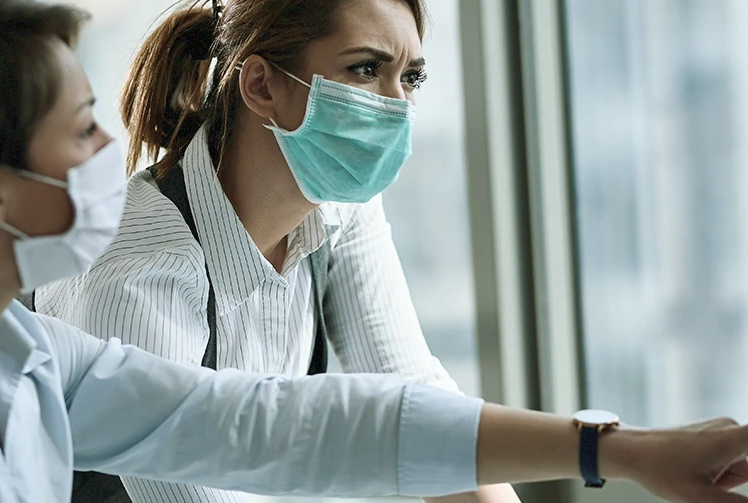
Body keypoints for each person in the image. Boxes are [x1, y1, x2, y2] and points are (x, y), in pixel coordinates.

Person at [0, 0, 748, 502]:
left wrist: (623, 451)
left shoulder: (23, 357)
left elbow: (287, 423)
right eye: (81, 134)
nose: (112, 156)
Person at [35, 0, 509, 500]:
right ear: (262, 85)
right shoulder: (140, 277)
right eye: (366, 69)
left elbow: (418, 405)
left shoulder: (338, 204)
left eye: (411, 78)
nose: (397, 106)